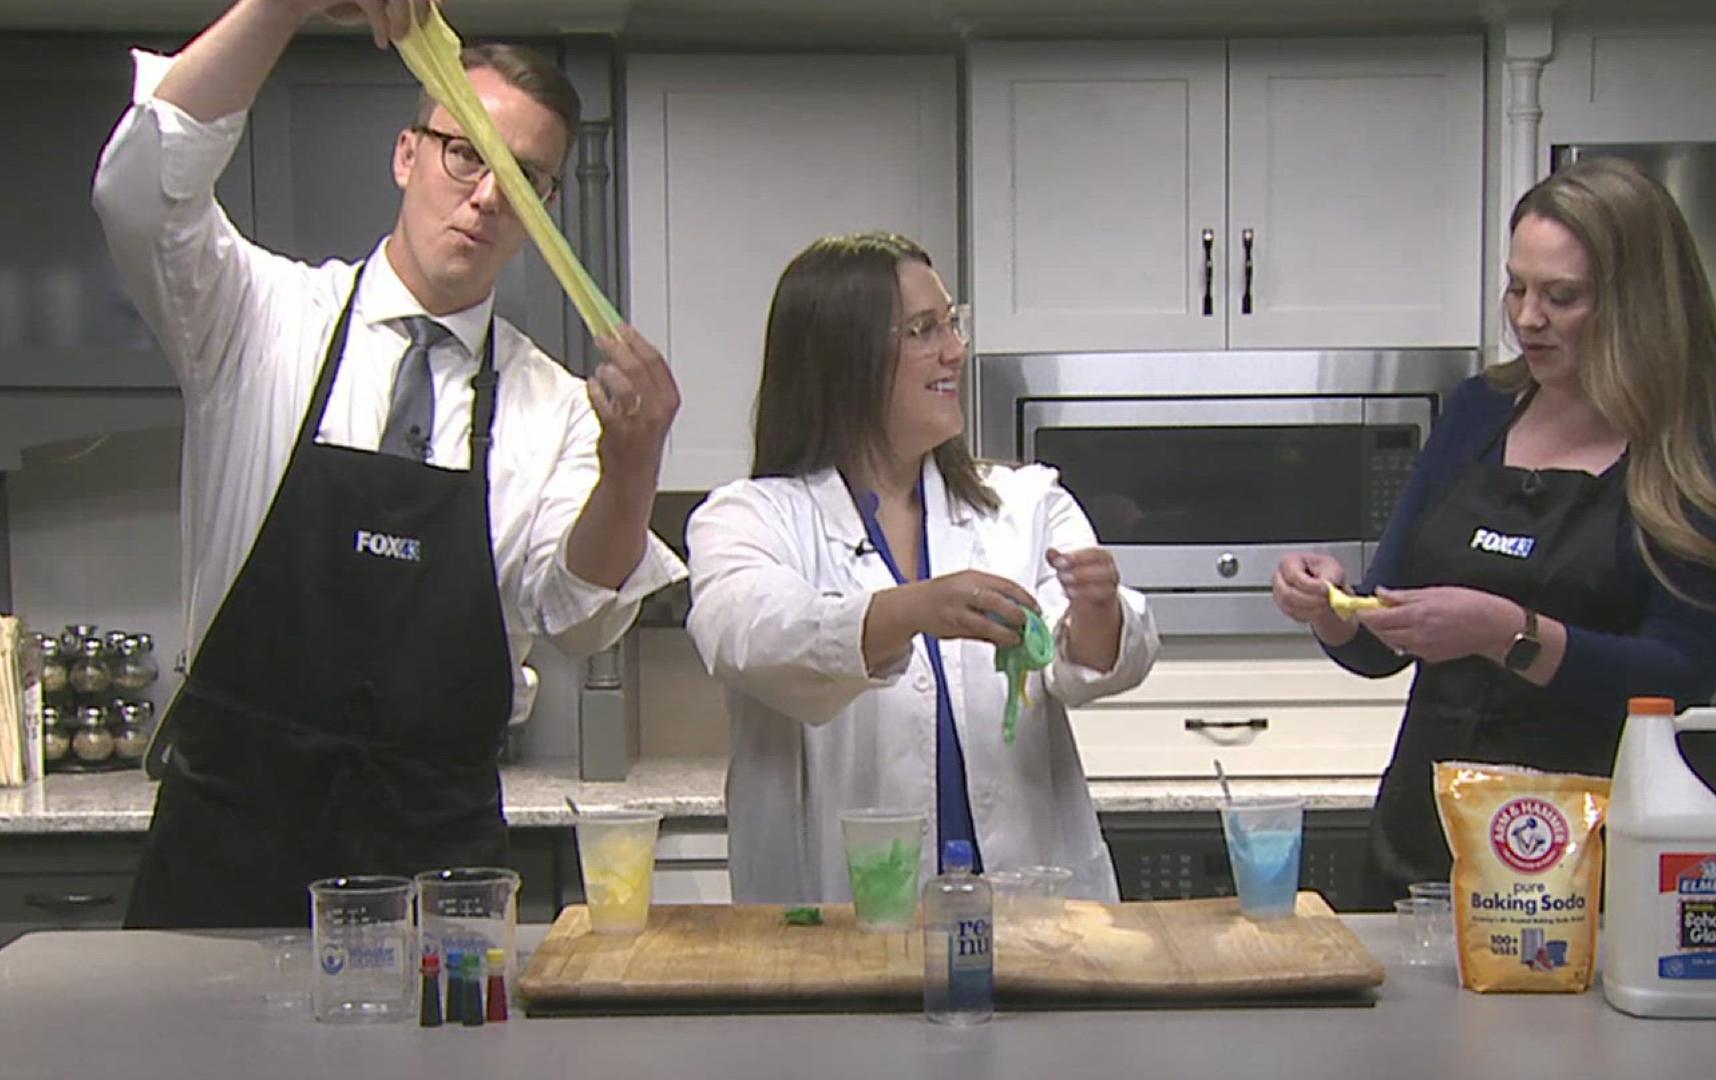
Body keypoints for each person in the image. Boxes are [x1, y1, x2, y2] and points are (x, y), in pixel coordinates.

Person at [93, 0, 686, 928]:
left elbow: (575, 612)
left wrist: (633, 466)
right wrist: (280, 7)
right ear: (407, 154)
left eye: (524, 179)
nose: (488, 196)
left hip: (437, 878)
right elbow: (140, 194)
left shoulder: (554, 405)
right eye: (466, 155)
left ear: (546, 211)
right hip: (227, 851)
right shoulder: (258, 318)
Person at [1271, 157, 1716, 909]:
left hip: (1600, 868)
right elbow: (1379, 641)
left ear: (1641, 305)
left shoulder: (1708, 463)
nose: (1528, 317)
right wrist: (1332, 609)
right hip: (1428, 855)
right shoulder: (1477, 412)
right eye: (1517, 287)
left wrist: (1509, 633)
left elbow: (1677, 678)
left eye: (1562, 297)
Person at [685, 232, 1159, 904]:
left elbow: (1080, 660)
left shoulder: (1023, 503)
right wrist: (912, 610)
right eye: (922, 330)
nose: (955, 350)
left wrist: (1099, 614)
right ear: (842, 359)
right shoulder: (748, 519)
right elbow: (742, 633)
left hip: (1032, 919)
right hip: (832, 925)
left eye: (951, 323)